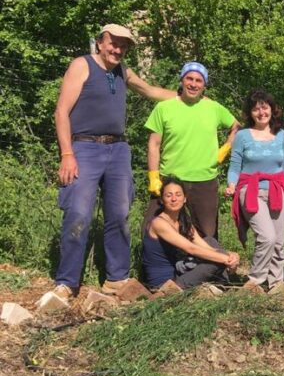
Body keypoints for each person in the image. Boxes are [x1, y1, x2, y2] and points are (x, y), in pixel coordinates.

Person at [53, 23, 178, 299]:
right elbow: (61, 112)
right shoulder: (82, 65)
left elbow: (150, 91)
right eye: (114, 43)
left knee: (120, 215)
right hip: (83, 148)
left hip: (117, 150)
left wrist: (188, 97)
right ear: (100, 42)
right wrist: (67, 154)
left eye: (124, 46)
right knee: (79, 214)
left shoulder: (123, 71)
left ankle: (116, 279)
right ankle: (66, 282)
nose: (118, 49)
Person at [144, 62, 240, 239]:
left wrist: (226, 148)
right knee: (153, 231)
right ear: (181, 80)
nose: (193, 84)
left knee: (207, 234)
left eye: (198, 80)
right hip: (170, 179)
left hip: (204, 179)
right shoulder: (164, 108)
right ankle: (160, 266)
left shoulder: (214, 108)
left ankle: (206, 266)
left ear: (204, 85)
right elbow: (154, 145)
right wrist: (153, 176)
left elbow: (236, 126)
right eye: (189, 78)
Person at [226, 90, 284, 290]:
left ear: (272, 109)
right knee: (267, 237)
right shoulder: (243, 136)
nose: (261, 112)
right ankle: (255, 282)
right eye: (256, 109)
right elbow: (235, 166)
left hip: (277, 190)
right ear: (250, 113)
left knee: (279, 242)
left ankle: (276, 285)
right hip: (251, 191)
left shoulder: (281, 135)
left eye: (265, 107)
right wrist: (231, 186)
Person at [143, 177, 240, 291]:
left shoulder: (182, 220)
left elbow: (204, 246)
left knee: (210, 240)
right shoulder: (158, 223)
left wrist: (230, 256)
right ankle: (225, 283)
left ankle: (223, 283)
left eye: (178, 195)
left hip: (179, 273)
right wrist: (225, 259)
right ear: (162, 200)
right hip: (166, 285)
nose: (174, 199)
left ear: (185, 199)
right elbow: (191, 248)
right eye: (168, 195)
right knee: (215, 262)